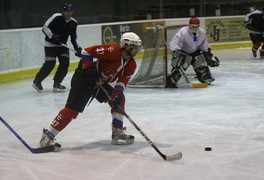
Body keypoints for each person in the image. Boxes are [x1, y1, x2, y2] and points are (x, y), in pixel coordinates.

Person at [38, 32, 142, 150]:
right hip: (84, 78)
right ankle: (47, 136)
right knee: (73, 110)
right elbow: (86, 52)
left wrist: (116, 93)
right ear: (127, 46)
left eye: (139, 47)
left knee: (120, 99)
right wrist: (88, 68)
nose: (138, 50)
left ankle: (117, 132)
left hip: (98, 84)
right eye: (135, 47)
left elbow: (122, 81)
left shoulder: (131, 64)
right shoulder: (112, 50)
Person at [32, 2, 82, 93]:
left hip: (62, 45)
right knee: (50, 64)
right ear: (63, 11)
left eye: (70, 11)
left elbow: (74, 38)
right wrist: (52, 37)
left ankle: (57, 83)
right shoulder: (56, 17)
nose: (68, 13)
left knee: (65, 63)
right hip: (50, 45)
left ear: (73, 12)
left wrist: (77, 49)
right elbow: (45, 27)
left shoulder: (74, 23)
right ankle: (37, 81)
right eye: (66, 11)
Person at [167, 17, 219, 88]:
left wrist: (208, 54)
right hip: (183, 52)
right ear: (189, 25)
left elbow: (203, 45)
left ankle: (205, 77)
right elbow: (175, 42)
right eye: (192, 26)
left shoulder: (202, 33)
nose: (194, 28)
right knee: (181, 62)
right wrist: (176, 51)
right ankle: (172, 79)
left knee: (200, 60)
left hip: (195, 51)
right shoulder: (183, 32)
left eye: (196, 26)